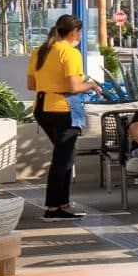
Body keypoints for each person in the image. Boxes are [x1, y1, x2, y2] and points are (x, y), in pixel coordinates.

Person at [28, 14, 95, 219]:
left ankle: (62, 204)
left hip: (42, 108)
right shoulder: (70, 53)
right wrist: (91, 84)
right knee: (63, 159)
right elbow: (74, 87)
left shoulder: (40, 51)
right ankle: (54, 207)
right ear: (75, 32)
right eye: (80, 33)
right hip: (63, 109)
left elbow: (31, 85)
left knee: (65, 156)